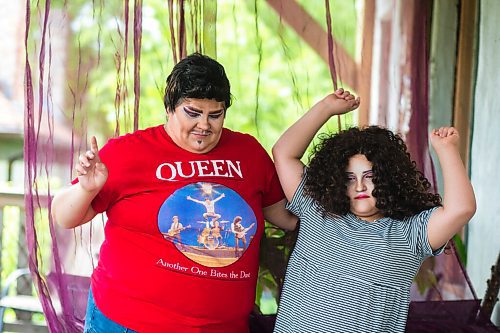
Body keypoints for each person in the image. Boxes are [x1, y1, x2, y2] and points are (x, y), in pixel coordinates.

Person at [51, 52, 298, 333]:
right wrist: (86, 188)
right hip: (127, 323)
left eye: (215, 115)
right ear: (170, 108)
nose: (204, 125)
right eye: (193, 113)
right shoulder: (128, 152)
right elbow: (64, 215)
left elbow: (284, 216)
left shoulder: (249, 153)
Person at [271, 89, 476, 332]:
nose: (359, 186)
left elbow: (461, 209)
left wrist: (446, 149)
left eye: (370, 176)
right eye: (349, 179)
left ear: (388, 178)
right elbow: (284, 153)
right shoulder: (317, 211)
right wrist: (325, 108)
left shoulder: (408, 235)